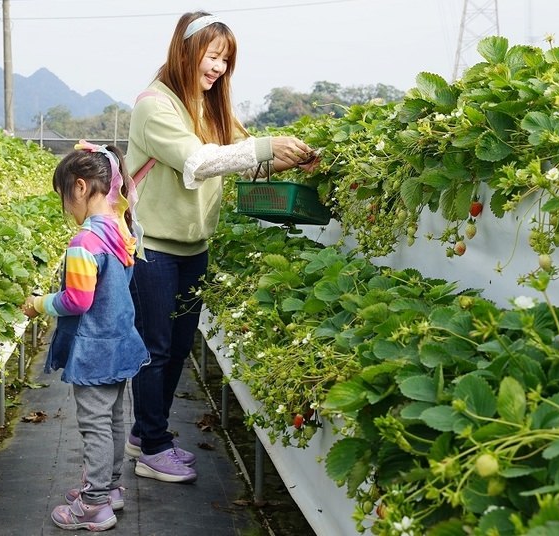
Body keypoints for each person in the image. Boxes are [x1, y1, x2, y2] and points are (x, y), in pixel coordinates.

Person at [124, 11, 320, 484]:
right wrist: (266, 147)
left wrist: (292, 160)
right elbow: (199, 161)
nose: (218, 69)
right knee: (154, 347)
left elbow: (241, 156)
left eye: (225, 61)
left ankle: (147, 433)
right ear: (187, 51)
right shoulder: (156, 105)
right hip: (153, 246)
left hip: (194, 245)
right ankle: (151, 448)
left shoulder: (210, 105)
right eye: (213, 56)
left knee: (177, 345)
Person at [23, 141, 149, 531]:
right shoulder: (123, 230)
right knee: (112, 420)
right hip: (120, 342)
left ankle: (94, 505)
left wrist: (40, 303)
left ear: (80, 187)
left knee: (94, 426)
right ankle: (109, 489)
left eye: (65, 196)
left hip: (94, 348)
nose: (66, 207)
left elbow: (77, 301)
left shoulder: (84, 243)